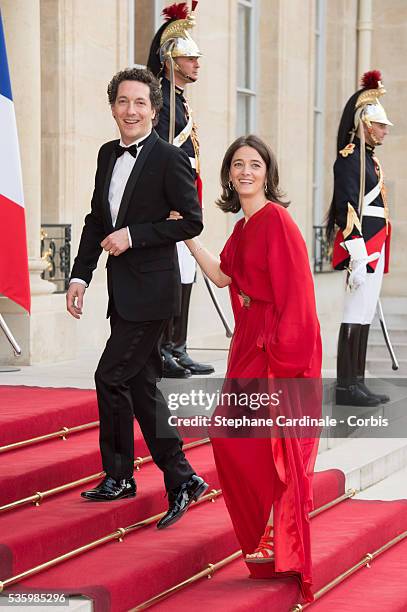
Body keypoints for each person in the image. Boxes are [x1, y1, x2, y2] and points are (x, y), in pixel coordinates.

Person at [170, 135, 322, 602]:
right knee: (232, 437)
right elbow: (223, 276)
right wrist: (189, 237)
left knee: (275, 447)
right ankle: (266, 533)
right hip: (247, 349)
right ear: (229, 175)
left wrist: (283, 353)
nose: (246, 171)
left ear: (267, 173)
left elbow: (299, 295)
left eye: (255, 164)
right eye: (238, 164)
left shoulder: (276, 220)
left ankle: (283, 544)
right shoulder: (242, 228)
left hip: (275, 350)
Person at [66, 67, 208, 528]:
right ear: (113, 107)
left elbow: (191, 221)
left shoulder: (170, 158)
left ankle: (121, 476)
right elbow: (94, 219)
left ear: (153, 108)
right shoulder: (108, 154)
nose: (131, 110)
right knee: (142, 388)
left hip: (153, 293)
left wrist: (135, 235)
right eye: (123, 102)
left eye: (140, 103)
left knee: (110, 376)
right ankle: (181, 476)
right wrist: (80, 276)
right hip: (123, 292)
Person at [146, 1, 214, 378]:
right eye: (190, 58)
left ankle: (178, 346)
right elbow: (160, 159)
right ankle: (162, 350)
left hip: (186, 198)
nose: (196, 64)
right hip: (173, 203)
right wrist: (170, 202)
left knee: (186, 272)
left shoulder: (180, 102)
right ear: (171, 60)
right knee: (172, 274)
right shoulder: (162, 100)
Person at [326, 70, 392, 407]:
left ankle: (359, 382)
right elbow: (347, 207)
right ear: (365, 124)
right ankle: (346, 385)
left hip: (376, 243)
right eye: (380, 125)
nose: (384, 131)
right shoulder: (351, 159)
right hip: (363, 244)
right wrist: (356, 253)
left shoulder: (370, 160)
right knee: (353, 313)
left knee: (365, 314)